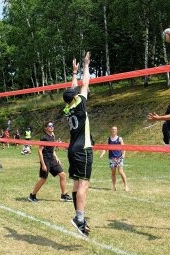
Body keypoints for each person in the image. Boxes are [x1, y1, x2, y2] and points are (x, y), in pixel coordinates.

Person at [63, 52, 92, 237]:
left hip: (72, 149)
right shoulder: (80, 104)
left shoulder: (67, 108)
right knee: (83, 185)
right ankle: (79, 219)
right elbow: (85, 84)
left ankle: (79, 217)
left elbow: (74, 88)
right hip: (83, 149)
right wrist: (86, 65)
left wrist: (74, 72)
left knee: (75, 185)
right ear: (74, 97)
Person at [28, 122, 72, 202]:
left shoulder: (53, 136)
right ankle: (32, 195)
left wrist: (57, 157)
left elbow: (52, 149)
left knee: (62, 175)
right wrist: (43, 164)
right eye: (49, 126)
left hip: (52, 159)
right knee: (43, 179)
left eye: (52, 126)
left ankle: (63, 195)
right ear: (46, 128)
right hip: (45, 160)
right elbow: (40, 151)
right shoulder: (44, 138)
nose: (52, 127)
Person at [99, 126, 129, 191]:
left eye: (115, 129)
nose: (114, 130)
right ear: (111, 130)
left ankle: (126, 186)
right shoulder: (108, 139)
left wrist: (123, 154)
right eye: (113, 129)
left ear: (117, 131)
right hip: (111, 158)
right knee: (113, 172)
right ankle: (114, 186)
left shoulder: (120, 139)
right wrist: (102, 154)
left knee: (121, 171)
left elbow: (124, 147)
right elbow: (105, 148)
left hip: (119, 157)